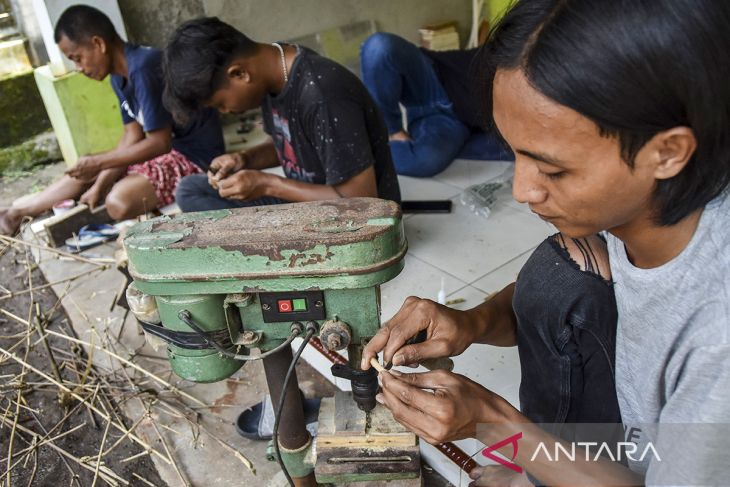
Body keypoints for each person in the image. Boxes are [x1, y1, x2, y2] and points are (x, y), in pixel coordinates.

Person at [362, 0, 730, 485]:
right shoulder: (656, 208)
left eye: (553, 169)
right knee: (561, 269)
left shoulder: (717, 341)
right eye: (513, 153)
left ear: (667, 152)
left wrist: (491, 423)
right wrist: (471, 323)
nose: (522, 191)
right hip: (643, 437)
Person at [0, 5, 224, 236]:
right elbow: (132, 136)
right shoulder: (118, 77)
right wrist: (99, 180)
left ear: (98, 44)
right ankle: (17, 212)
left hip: (194, 157)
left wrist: (101, 167)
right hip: (165, 154)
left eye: (78, 58)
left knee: (118, 201)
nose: (78, 68)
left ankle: (21, 212)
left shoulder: (144, 67)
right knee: (86, 171)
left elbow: (160, 143)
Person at [162, 18, 400, 213]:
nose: (225, 111)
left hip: (352, 218)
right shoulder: (272, 72)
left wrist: (268, 184)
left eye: (221, 103)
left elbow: (362, 205)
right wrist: (244, 159)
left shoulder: (323, 95)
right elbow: (291, 145)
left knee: (207, 212)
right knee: (190, 190)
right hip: (309, 202)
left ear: (240, 73)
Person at [359, 32, 512, 177]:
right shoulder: (522, 53)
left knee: (425, 160)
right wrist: (395, 131)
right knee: (379, 47)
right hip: (432, 77)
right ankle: (392, 132)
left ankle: (357, 154)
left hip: (453, 123)